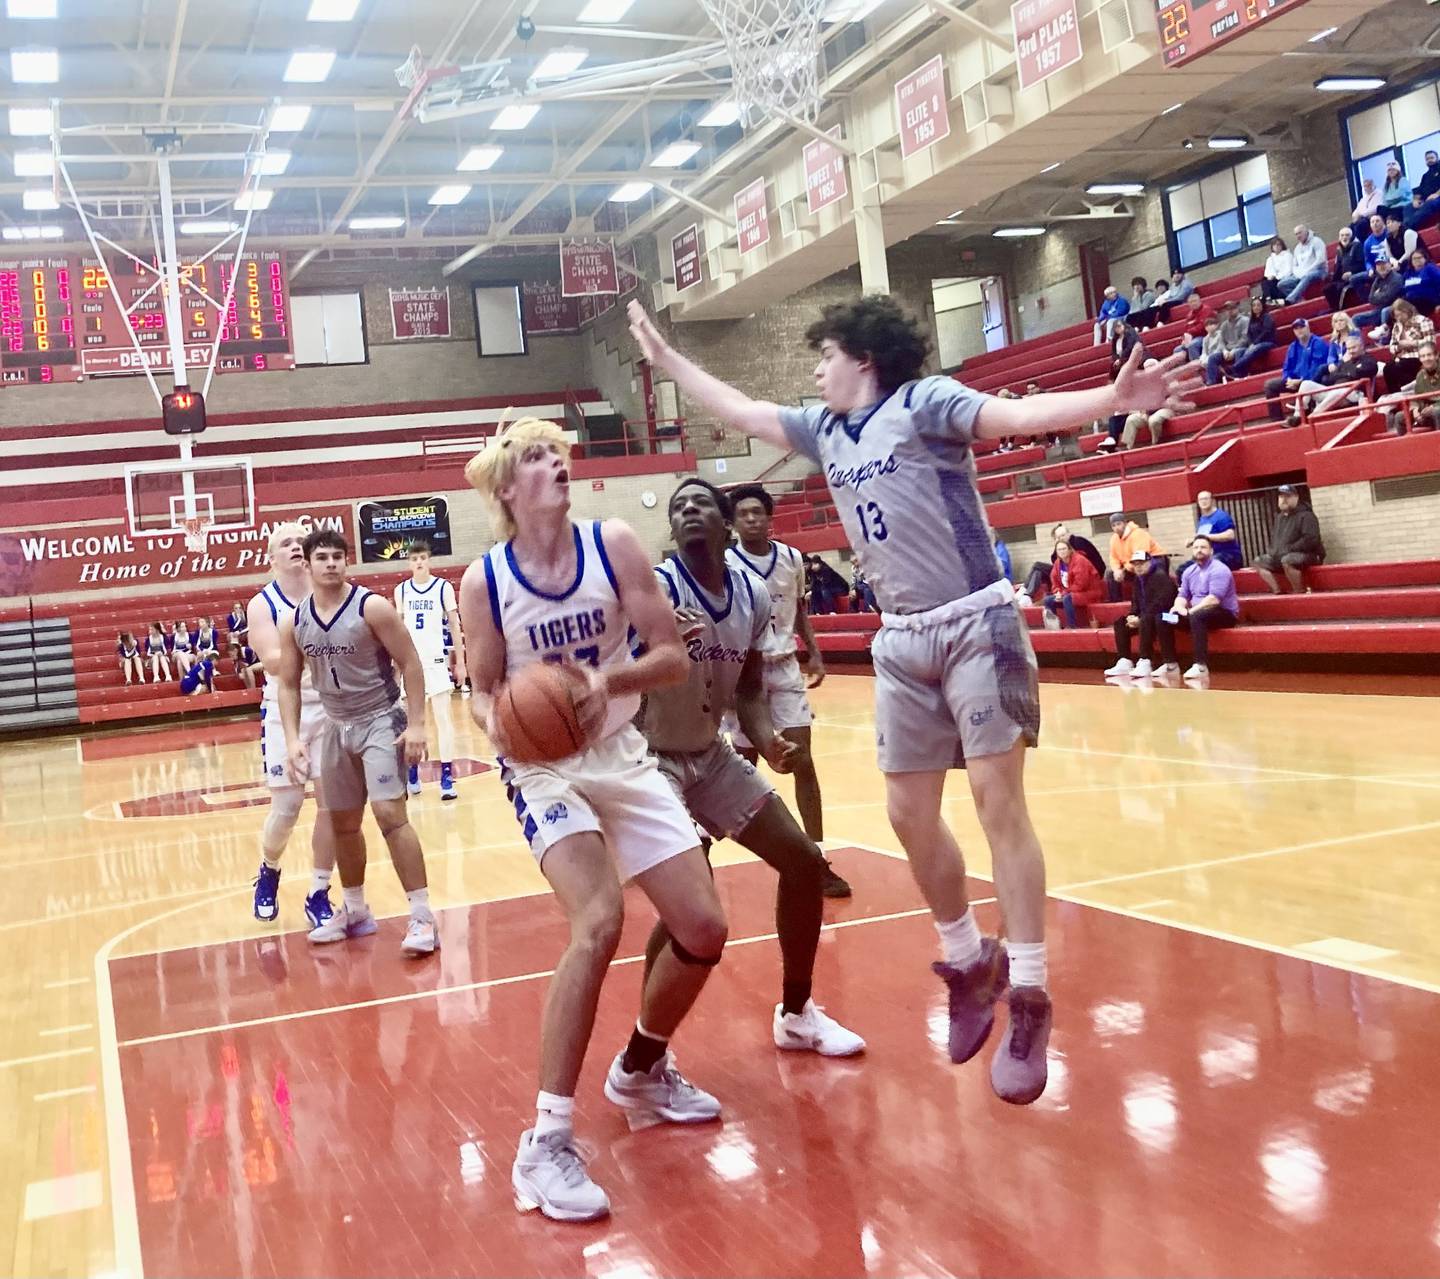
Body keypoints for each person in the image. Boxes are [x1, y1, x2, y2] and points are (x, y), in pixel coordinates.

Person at [627, 293, 1201, 1105]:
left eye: (824, 354)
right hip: (900, 639)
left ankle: (1030, 991)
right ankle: (969, 962)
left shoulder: (926, 402)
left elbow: (1013, 413)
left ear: (862, 357)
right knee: (905, 813)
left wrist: (1112, 400)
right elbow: (741, 409)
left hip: (976, 622)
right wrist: (666, 363)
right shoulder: (823, 431)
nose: (815, 369)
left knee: (999, 800)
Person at [459, 416, 730, 1222]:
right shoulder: (486, 581)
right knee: (599, 919)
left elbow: (673, 653)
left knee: (705, 928)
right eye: (537, 458)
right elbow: (479, 687)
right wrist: (499, 722)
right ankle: (544, 1145)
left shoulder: (613, 543)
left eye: (558, 454)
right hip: (542, 768)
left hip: (619, 752)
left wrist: (603, 687)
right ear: (508, 488)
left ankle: (642, 1067)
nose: (556, 465)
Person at [639, 479, 864, 1060]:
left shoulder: (753, 594)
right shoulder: (655, 589)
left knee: (804, 861)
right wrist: (654, 653)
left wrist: (768, 740)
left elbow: (747, 687)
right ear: (673, 528)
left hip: (709, 753)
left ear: (723, 524)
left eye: (699, 504)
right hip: (648, 759)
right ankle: (649, 1053)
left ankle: (796, 1013)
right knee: (691, 906)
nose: (688, 510)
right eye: (678, 505)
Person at [277, 527, 438, 959]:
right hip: (335, 725)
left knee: (390, 814)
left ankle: (422, 914)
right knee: (343, 823)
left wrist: (419, 724)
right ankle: (354, 910)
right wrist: (293, 738)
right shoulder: (294, 619)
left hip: (380, 719)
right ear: (307, 564)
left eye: (338, 556)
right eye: (322, 557)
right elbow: (289, 684)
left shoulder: (373, 607)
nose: (331, 563)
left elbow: (411, 663)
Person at [724, 483, 851, 897]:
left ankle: (816, 860)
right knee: (738, 771)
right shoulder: (724, 563)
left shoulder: (792, 558)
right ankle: (690, 852)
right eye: (743, 513)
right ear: (733, 522)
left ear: (769, 517)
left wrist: (813, 652)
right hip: (744, 676)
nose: (751, 519)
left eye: (758, 512)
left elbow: (800, 611)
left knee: (803, 762)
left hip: (784, 669)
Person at [247, 522, 339, 930]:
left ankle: (319, 891)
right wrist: (333, 648)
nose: (296, 547)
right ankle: (269, 869)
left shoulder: (335, 592)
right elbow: (271, 659)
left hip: (334, 707)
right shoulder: (262, 603)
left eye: (301, 541)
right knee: (287, 808)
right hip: (287, 709)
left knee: (333, 806)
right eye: (286, 543)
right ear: (272, 558)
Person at [394, 540, 464, 801]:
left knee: (444, 720)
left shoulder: (443, 587)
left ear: (429, 560)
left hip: (436, 661)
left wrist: (460, 661)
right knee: (411, 723)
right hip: (411, 663)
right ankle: (412, 771)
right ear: (409, 563)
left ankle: (447, 776)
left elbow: (455, 626)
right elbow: (398, 630)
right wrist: (397, 665)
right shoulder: (401, 590)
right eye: (414, 559)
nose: (419, 562)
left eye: (423, 557)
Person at [1162, 534, 1240, 682]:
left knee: (1197, 616)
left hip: (1224, 614)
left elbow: (1213, 600)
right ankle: (1170, 664)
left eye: (1203, 547)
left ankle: (1200, 666)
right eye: (1196, 547)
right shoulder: (1188, 571)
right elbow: (1183, 594)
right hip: (1195, 614)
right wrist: (1177, 607)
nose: (1199, 550)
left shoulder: (1219, 569)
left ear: (1211, 551)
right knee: (1163, 617)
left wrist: (1190, 612)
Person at [1104, 549, 1179, 679]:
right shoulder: (1138, 580)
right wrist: (1132, 615)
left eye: (1141, 563)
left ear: (1150, 562)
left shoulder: (1161, 576)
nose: (1138, 567)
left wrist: (1141, 618)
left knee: (1148, 618)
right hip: (1148, 617)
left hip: (1171, 616)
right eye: (1135, 564)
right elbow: (1135, 602)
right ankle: (1124, 660)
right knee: (1121, 622)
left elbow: (1163, 602)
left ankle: (1145, 660)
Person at [1287, 332, 1378, 425]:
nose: (1351, 351)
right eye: (1349, 348)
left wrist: (1346, 373)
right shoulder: (1345, 362)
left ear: (1362, 347)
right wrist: (1348, 373)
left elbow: (1361, 373)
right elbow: (1332, 377)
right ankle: (1298, 416)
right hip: (1335, 391)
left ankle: (1313, 416)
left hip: (1355, 394)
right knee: (1306, 384)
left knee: (1338, 392)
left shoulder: (1369, 360)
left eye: (1354, 348)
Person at [1252, 484, 1325, 594]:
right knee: (1258, 561)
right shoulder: (1279, 518)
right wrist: (1273, 551)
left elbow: (1311, 540)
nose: (1283, 500)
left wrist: (1289, 548)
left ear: (1296, 497)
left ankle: (1299, 592)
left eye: (1288, 496)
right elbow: (1276, 539)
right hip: (1283, 555)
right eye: (1281, 497)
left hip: (1310, 555)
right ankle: (1277, 592)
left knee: (1288, 559)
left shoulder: (1307, 516)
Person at [1264, 318, 1335, 421]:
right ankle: (1276, 419)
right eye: (1296, 329)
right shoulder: (1293, 347)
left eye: (1302, 327)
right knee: (1270, 385)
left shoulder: (1318, 343)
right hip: (1295, 381)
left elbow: (1317, 368)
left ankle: (1304, 412)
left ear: (1308, 327)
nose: (1299, 330)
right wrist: (1288, 379)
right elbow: (1287, 367)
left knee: (1313, 379)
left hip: (1313, 381)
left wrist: (1301, 381)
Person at [1020, 522, 1105, 603]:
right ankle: (1027, 595)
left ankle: (1024, 590)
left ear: (1068, 534)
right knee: (1038, 572)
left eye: (1063, 536)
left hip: (1087, 575)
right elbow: (1056, 562)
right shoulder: (1061, 546)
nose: (1061, 538)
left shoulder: (1078, 542)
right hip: (1066, 573)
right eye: (1058, 537)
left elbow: (1081, 565)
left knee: (1038, 565)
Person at [1042, 538, 1103, 629]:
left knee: (1068, 598)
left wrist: (1063, 593)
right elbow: (1054, 581)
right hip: (1068, 593)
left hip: (1089, 593)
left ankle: (1072, 626)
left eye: (1064, 549)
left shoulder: (1080, 560)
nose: (1062, 551)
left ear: (1070, 549)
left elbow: (1081, 584)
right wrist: (1057, 592)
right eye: (1059, 549)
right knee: (1048, 600)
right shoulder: (1057, 563)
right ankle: (1054, 626)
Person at [1382, 298, 1437, 395]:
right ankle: (1396, 396)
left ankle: (1413, 392)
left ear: (1407, 310)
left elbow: (1431, 342)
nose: (1398, 318)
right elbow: (1392, 346)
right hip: (1401, 357)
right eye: (1396, 316)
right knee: (1388, 368)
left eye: (1400, 315)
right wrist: (1399, 347)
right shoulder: (1397, 326)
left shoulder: (1423, 321)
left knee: (1398, 367)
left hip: (1418, 356)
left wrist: (1412, 343)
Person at [1383, 339, 1440, 433]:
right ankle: (1405, 446)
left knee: (1437, 412)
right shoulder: (1420, 375)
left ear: (1436, 355)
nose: (1426, 359)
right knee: (1400, 417)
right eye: (1423, 356)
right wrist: (1415, 410)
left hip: (1436, 409)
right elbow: (1416, 397)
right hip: (1426, 410)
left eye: (1429, 355)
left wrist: (1433, 407)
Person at [1106, 511, 1163, 603]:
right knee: (1110, 573)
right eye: (1113, 525)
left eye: (1118, 524)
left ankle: (1146, 601)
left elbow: (1140, 557)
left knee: (1141, 571)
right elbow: (1113, 557)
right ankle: (1116, 601)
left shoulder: (1138, 534)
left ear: (1125, 523)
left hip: (1152, 560)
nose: (1116, 528)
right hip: (1130, 566)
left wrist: (1124, 570)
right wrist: (1117, 570)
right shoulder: (1114, 539)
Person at [1190, 489, 1243, 571]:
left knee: (1208, 563)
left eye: (1206, 499)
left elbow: (1230, 535)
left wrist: (1207, 536)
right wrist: (1192, 541)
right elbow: (1202, 538)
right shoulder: (1202, 520)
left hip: (1228, 554)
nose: (1203, 501)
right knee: (1184, 568)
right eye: (1201, 499)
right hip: (1208, 555)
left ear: (1212, 500)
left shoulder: (1221, 516)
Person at [1230, 295, 1277, 379]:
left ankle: (1235, 367)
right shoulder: (1252, 319)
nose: (1256, 307)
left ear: (1262, 306)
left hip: (1268, 343)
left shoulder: (1267, 317)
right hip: (1254, 344)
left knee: (1256, 348)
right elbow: (1249, 334)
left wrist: (1255, 343)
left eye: (1258, 305)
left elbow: (1266, 331)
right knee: (1239, 351)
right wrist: (1251, 343)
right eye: (1254, 305)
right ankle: (1240, 374)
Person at [1204, 299, 1250, 385]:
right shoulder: (1224, 325)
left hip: (1241, 347)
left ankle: (1239, 375)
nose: (1229, 311)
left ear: (1236, 309)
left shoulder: (1245, 320)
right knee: (1212, 358)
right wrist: (1224, 351)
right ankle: (1211, 381)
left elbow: (1244, 339)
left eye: (1232, 309)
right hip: (1227, 350)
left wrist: (1233, 350)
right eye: (1227, 310)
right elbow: (1222, 341)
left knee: (1238, 352)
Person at [1278, 224, 1326, 305]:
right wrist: (1298, 274)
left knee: (1308, 276)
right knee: (1282, 283)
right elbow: (1295, 266)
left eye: (1300, 233)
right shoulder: (1297, 248)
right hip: (1302, 274)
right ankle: (1300, 301)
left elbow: (1321, 260)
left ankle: (1289, 300)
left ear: (1306, 232)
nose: (1298, 236)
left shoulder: (1316, 241)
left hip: (1319, 271)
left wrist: (1307, 271)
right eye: (1296, 234)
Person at [1353, 256, 1404, 332]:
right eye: (1379, 265)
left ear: (1390, 265)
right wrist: (1380, 295)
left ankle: (1384, 339)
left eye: (1384, 264)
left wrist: (1377, 295)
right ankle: (1356, 342)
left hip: (1394, 308)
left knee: (1384, 311)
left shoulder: (1396, 278)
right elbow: (1371, 299)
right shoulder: (1378, 279)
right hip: (1378, 310)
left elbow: (1389, 298)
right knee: (1356, 319)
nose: (1381, 267)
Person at [1324, 226, 1368, 311]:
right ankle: (1334, 308)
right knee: (1327, 288)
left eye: (1347, 235)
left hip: (1354, 276)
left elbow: (1362, 264)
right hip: (1342, 278)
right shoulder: (1339, 250)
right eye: (1342, 235)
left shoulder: (1357, 246)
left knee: (1340, 288)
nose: (1344, 237)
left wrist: (1351, 272)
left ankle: (1340, 309)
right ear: (1339, 238)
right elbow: (1338, 267)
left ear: (1351, 237)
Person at [1401, 248, 1440, 317]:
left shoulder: (1430, 268)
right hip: (1411, 302)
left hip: (1429, 301)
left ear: (1425, 258)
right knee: (1397, 305)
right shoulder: (1408, 273)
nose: (1416, 260)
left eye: (1419, 257)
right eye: (1414, 258)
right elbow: (1403, 289)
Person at [1349, 176, 1383, 242]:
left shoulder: (1379, 194)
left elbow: (1376, 208)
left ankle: (1361, 244)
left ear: (1373, 185)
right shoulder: (1364, 198)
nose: (1367, 188)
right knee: (1350, 227)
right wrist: (1357, 215)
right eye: (1365, 186)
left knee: (1360, 226)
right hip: (1363, 218)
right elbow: (1357, 211)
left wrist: (1362, 213)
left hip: (1373, 217)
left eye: (1369, 185)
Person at [1260, 236, 1293, 304]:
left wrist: (1277, 277)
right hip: (1272, 280)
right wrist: (1272, 276)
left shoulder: (1287, 255)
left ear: (1282, 246)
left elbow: (1289, 270)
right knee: (1265, 281)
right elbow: (1268, 272)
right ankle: (1269, 299)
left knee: (1268, 285)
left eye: (1278, 244)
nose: (1276, 246)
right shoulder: (1270, 259)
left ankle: (1268, 300)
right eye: (1274, 245)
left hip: (1284, 279)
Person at [1414, 150, 1440, 225]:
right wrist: (1416, 200)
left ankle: (1410, 226)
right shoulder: (1425, 176)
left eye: (1431, 158)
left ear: (1437, 158)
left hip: (1437, 198)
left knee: (1429, 204)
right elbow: (1419, 191)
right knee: (1408, 207)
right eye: (1427, 159)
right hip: (1427, 200)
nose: (1429, 160)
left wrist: (1437, 194)